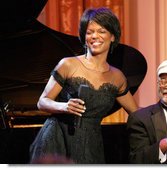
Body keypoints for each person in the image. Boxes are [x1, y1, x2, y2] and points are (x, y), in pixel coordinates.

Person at [30, 7, 138, 164]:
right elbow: (42, 102)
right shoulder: (68, 64)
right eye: (89, 32)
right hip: (57, 138)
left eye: (101, 31)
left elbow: (135, 113)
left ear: (112, 36)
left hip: (92, 143)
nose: (94, 36)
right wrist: (64, 106)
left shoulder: (117, 77)